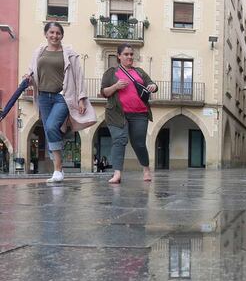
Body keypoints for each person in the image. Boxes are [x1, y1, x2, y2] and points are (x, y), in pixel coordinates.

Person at [25, 22, 96, 182]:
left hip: (62, 96)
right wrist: (27, 78)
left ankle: (57, 169)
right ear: (46, 34)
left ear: (62, 35)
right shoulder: (38, 52)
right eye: (51, 32)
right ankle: (60, 169)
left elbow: (79, 76)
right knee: (50, 131)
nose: (54, 36)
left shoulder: (69, 53)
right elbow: (32, 71)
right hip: (43, 97)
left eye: (58, 33)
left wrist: (81, 99)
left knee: (51, 127)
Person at [101, 43, 157, 184]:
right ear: (119, 56)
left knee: (139, 144)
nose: (129, 57)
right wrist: (115, 86)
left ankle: (146, 169)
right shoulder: (111, 73)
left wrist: (153, 86)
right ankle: (117, 173)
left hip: (140, 113)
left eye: (131, 54)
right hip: (117, 113)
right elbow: (104, 92)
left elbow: (152, 85)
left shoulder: (139, 72)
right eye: (126, 54)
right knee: (119, 140)